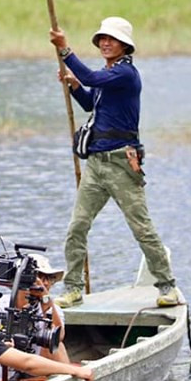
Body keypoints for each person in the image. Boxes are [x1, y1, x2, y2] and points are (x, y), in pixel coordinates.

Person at [49, 16, 179, 308]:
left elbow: (93, 79)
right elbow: (89, 102)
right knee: (77, 226)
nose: (105, 43)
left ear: (125, 46)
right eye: (102, 40)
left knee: (141, 228)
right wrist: (73, 86)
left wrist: (64, 50)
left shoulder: (125, 75)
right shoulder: (107, 73)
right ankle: (72, 288)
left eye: (112, 40)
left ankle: (167, 286)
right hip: (96, 164)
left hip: (122, 163)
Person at [0, 253, 70, 381]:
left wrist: (46, 300)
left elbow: (59, 337)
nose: (45, 283)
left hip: (34, 372)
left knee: (54, 342)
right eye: (40, 277)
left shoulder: (53, 309)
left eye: (49, 278)